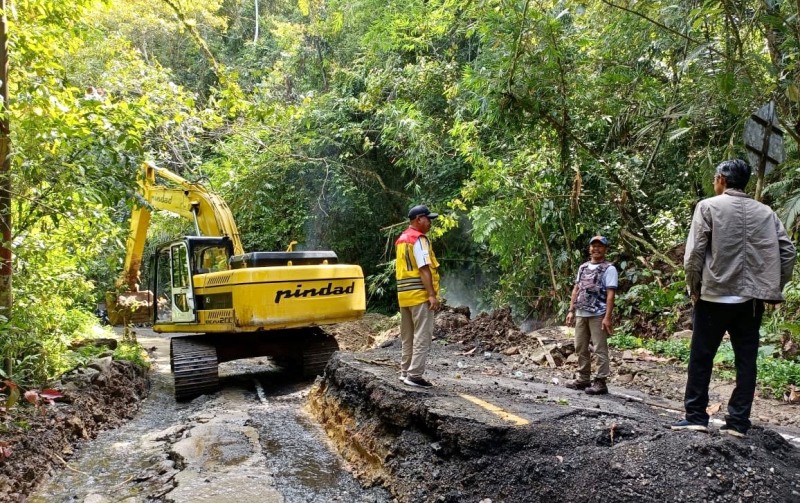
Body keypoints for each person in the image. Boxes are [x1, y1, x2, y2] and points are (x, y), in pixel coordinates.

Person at [672, 159, 796, 437]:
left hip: (714, 296)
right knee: (746, 360)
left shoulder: (708, 207)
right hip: (751, 302)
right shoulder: (766, 212)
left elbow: (694, 255)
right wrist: (774, 287)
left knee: (702, 357)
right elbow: (787, 251)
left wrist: (695, 288)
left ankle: (695, 416)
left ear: (720, 180)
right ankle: (738, 422)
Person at [395, 204, 442, 388]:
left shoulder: (401, 239)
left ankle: (405, 371)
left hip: (404, 296)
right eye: (428, 219)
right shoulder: (419, 239)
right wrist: (431, 295)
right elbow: (424, 268)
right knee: (422, 335)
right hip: (419, 295)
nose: (430, 223)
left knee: (407, 336)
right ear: (418, 219)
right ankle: (415, 376)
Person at [565, 236, 618, 395]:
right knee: (580, 346)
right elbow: (576, 289)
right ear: (589, 249)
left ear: (605, 249)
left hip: (598, 314)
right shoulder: (583, 267)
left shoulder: (609, 269)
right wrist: (571, 310)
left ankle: (601, 381)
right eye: (593, 246)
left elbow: (610, 295)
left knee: (599, 348)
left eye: (600, 246)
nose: (596, 249)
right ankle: (583, 378)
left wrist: (607, 317)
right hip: (581, 313)